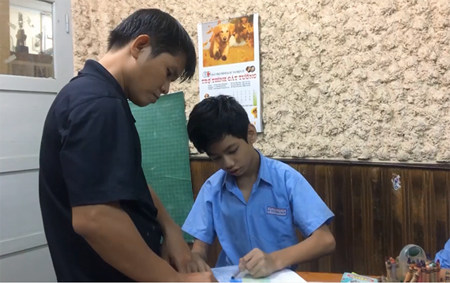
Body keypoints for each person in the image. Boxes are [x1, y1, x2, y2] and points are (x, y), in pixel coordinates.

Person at [38, 9, 215, 282]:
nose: (167, 88)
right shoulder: (99, 105)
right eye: (168, 72)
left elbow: (124, 181)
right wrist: (175, 281)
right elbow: (96, 218)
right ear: (140, 46)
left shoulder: (97, 96)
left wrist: (169, 228)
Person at [182, 95, 336, 278]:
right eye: (216, 158)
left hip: (279, 277)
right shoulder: (212, 188)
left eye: (232, 151)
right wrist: (196, 258)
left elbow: (325, 240)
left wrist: (274, 260)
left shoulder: (286, 180)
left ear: (251, 134)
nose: (228, 163)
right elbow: (199, 249)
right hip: (232, 278)